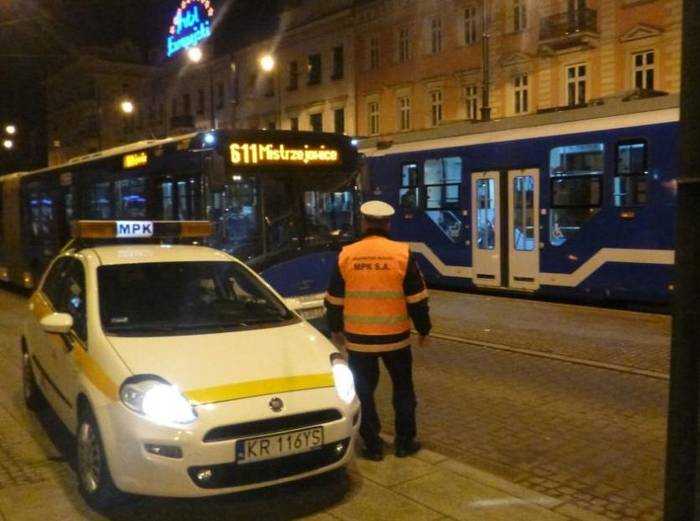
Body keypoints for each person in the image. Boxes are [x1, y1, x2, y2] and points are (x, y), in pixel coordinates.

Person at [324, 200, 431, 461]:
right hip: (396, 339)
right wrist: (423, 329)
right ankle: (404, 443)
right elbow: (417, 298)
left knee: (363, 392)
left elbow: (334, 298)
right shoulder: (401, 253)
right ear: (388, 224)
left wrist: (335, 329)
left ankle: (372, 446)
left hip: (359, 340)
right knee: (403, 389)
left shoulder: (347, 254)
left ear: (364, 223)